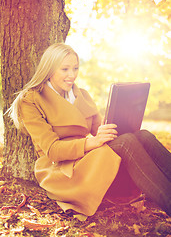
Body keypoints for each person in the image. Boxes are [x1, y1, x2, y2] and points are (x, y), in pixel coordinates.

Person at [9, 43, 171, 217]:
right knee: (126, 142)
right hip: (64, 170)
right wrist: (92, 141)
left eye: (75, 68)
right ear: (49, 69)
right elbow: (52, 151)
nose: (72, 75)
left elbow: (99, 130)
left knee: (143, 135)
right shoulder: (31, 99)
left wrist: (116, 125)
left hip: (90, 160)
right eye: (65, 69)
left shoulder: (83, 95)